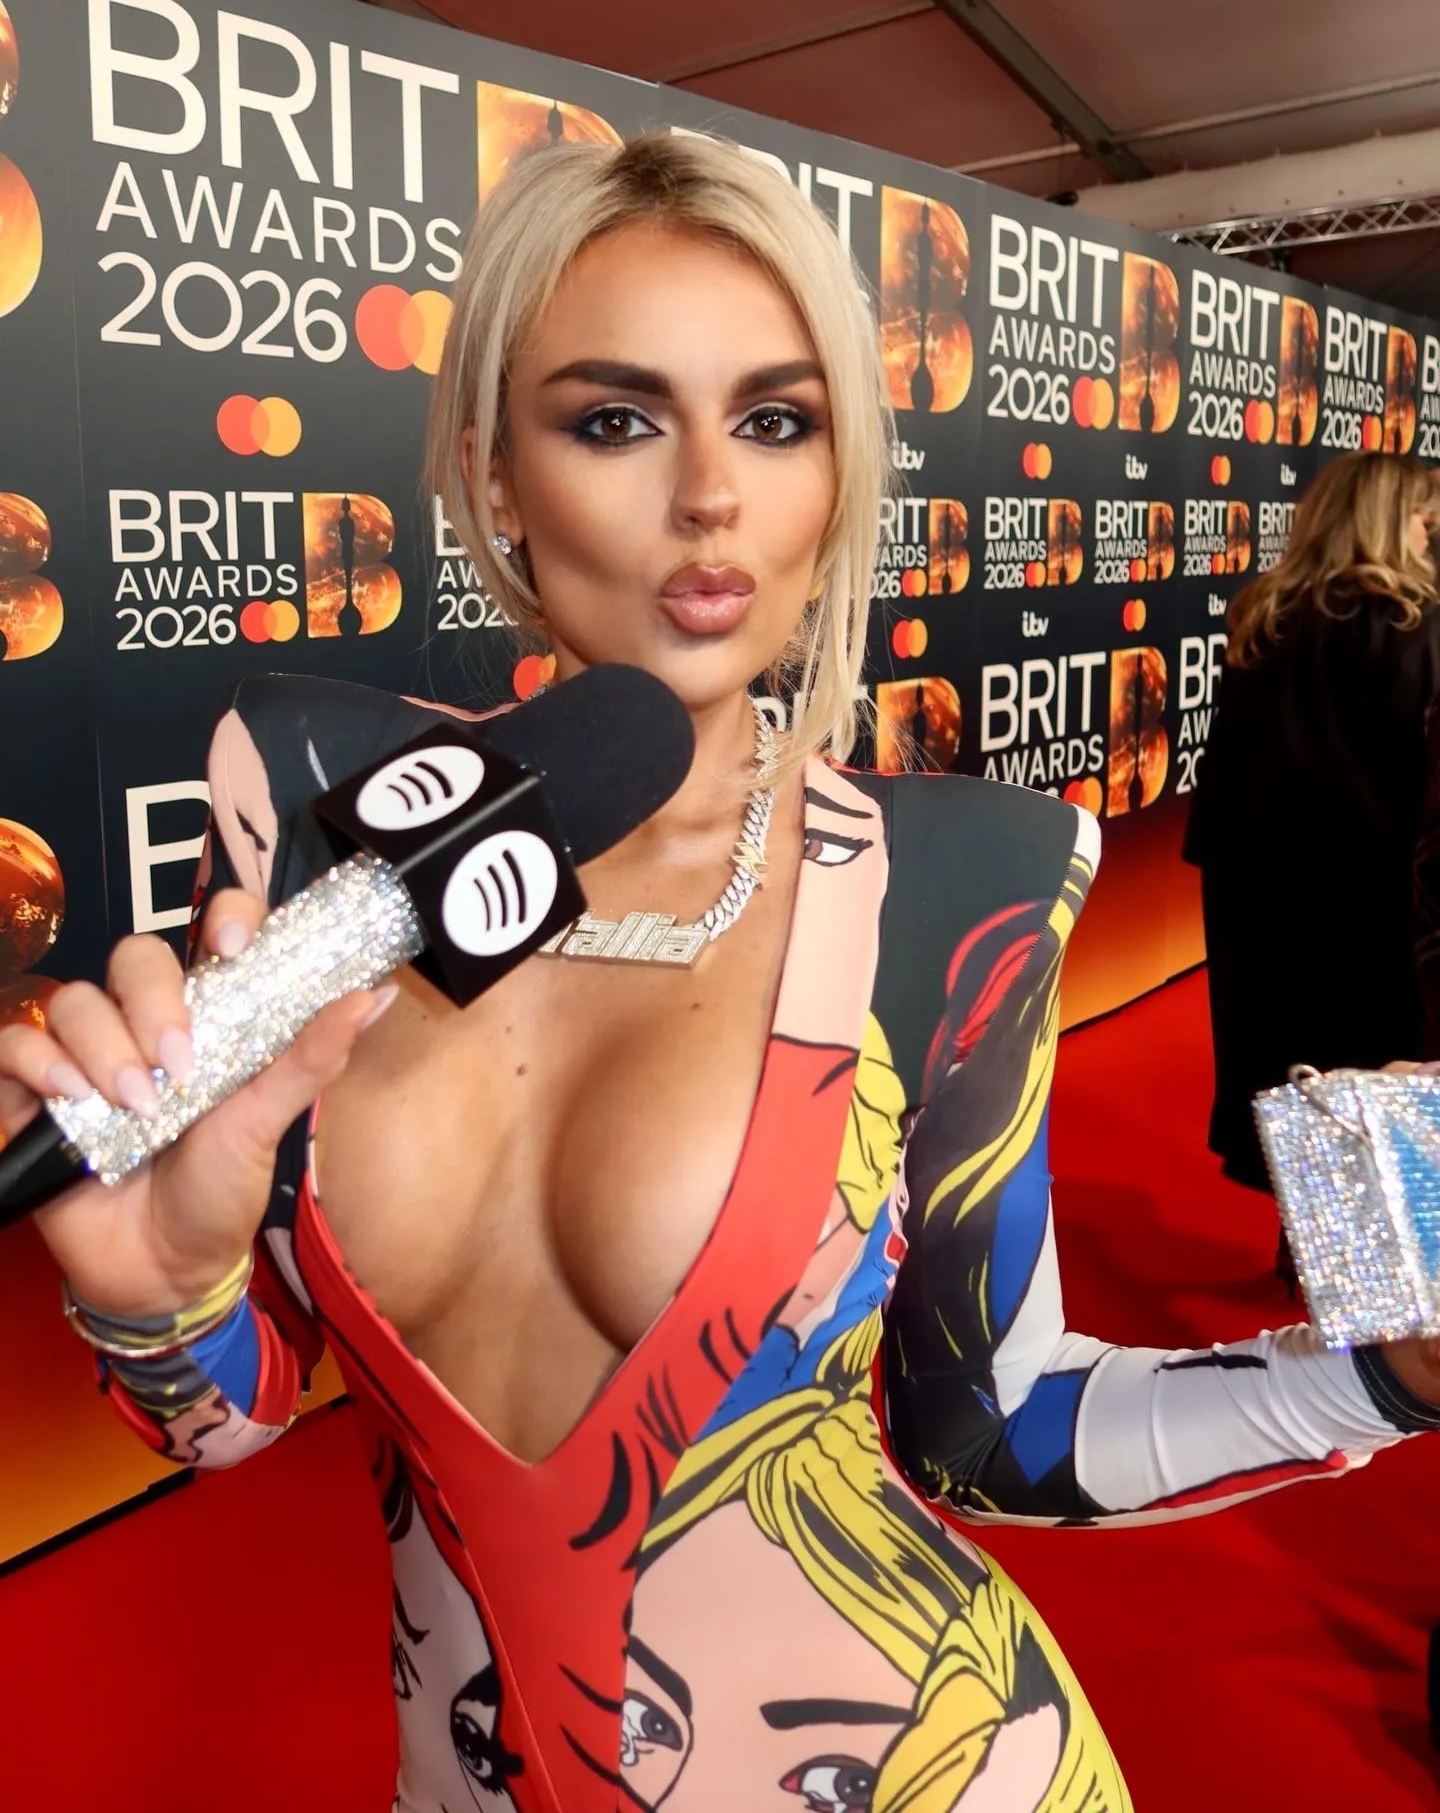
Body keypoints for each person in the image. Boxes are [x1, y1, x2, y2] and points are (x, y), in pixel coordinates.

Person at [4, 136, 1440, 1813]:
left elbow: (991, 1429)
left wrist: (1380, 1375)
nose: (709, 495)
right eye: (615, 421)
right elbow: (232, 1417)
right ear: (490, 477)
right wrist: (159, 1290)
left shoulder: (963, 878)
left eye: (775, 420)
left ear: (838, 475)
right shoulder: (315, 795)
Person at [1185, 451, 1440, 1209]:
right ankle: (1357, 1246)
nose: (1429, 534)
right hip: (1380, 900)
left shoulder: (1266, 616)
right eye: (1422, 517)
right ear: (1385, 519)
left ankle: (1304, 1232)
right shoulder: (1416, 626)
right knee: (1381, 1079)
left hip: (1263, 893)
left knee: (1292, 1065)